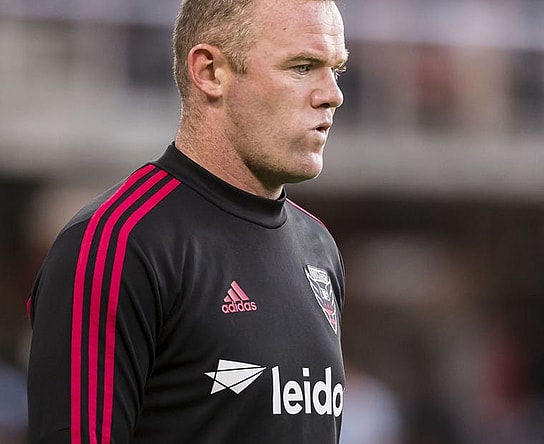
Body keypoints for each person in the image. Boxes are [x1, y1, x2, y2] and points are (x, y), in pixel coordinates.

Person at [26, 0, 349, 442]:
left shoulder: (319, 248)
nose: (332, 94)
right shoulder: (119, 243)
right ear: (210, 72)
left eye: (337, 69)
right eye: (302, 66)